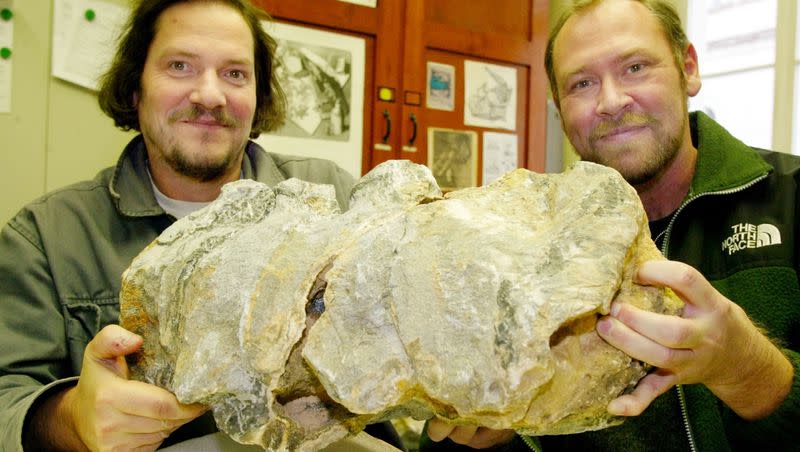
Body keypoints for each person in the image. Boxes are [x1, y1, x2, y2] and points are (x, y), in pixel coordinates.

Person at [0, 1, 402, 450]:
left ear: (258, 96)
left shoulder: (339, 200)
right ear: (136, 88)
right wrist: (70, 418)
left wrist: (484, 424)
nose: (210, 95)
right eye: (180, 66)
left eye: (235, 74)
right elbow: (6, 397)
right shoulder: (47, 238)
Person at [423, 0, 800, 450]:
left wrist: (748, 369)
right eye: (582, 83)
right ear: (558, 109)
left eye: (636, 67)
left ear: (689, 69)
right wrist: (499, 432)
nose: (612, 102)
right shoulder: (509, 244)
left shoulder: (790, 198)